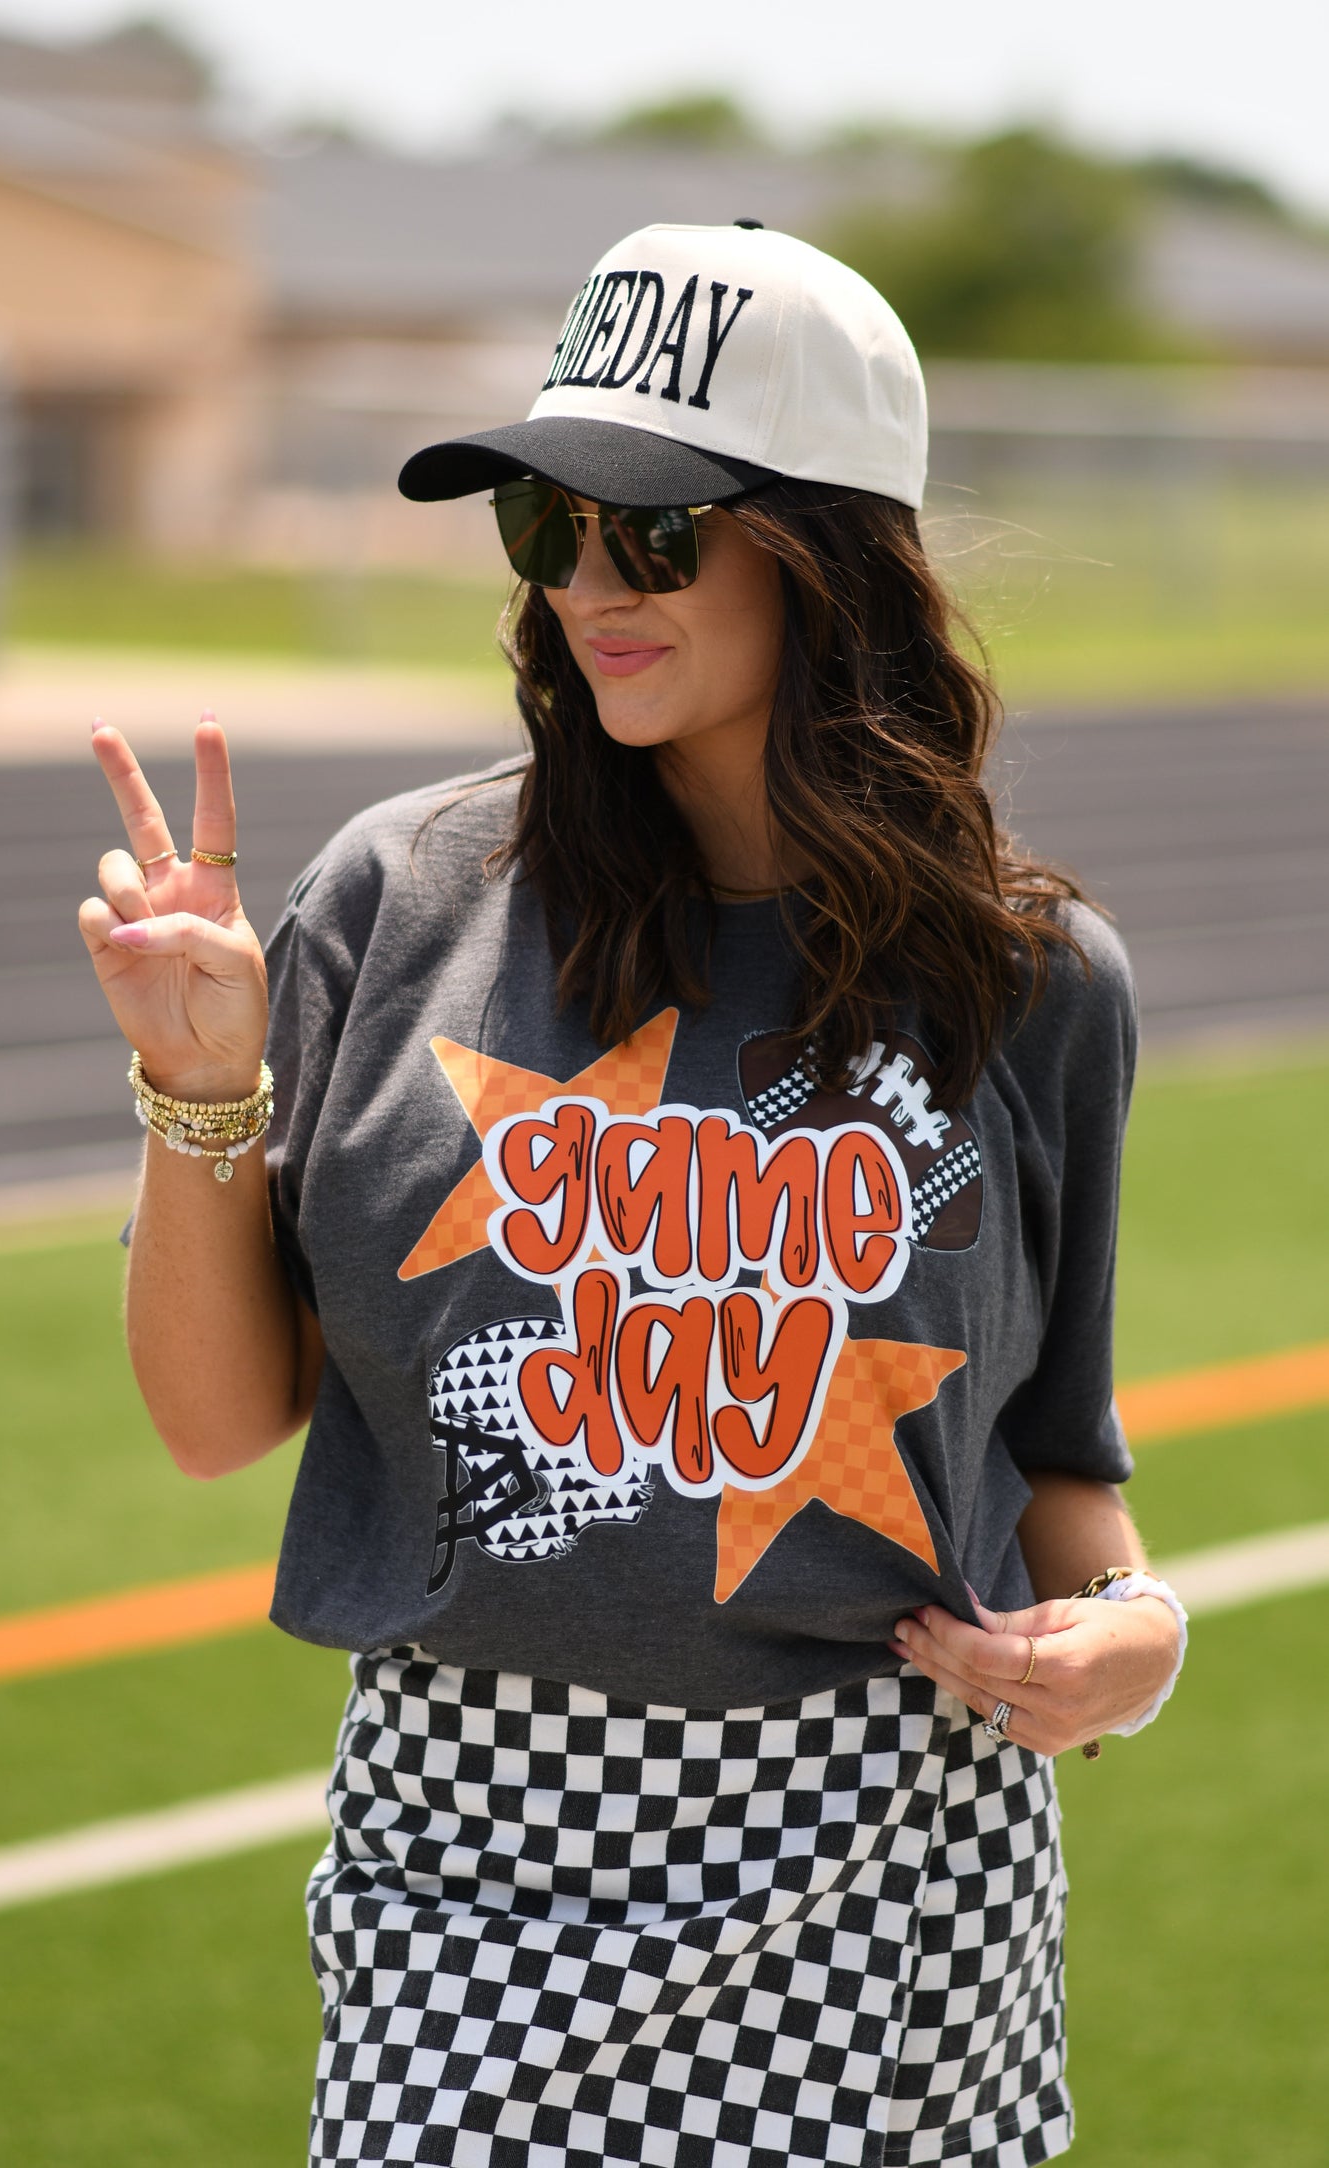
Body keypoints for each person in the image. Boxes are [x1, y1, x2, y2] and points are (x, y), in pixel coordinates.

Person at [80, 222, 1188, 2168]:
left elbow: (1061, 1470)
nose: (590, 583)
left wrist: (1132, 1640)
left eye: (656, 533)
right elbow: (211, 1420)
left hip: (887, 1871)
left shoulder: (1030, 986)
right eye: (547, 522)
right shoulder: (395, 900)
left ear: (825, 558)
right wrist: (198, 1086)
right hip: (468, 1847)